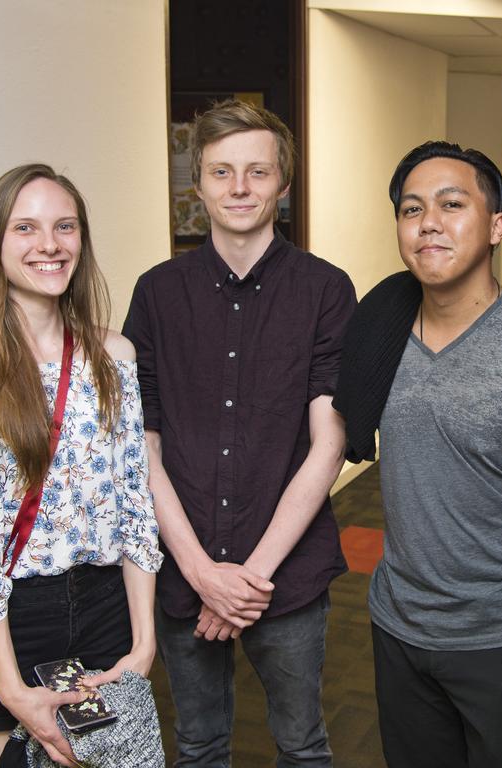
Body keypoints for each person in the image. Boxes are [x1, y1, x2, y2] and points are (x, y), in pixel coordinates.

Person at [333, 141, 502, 768]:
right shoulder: (379, 333)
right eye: (411, 208)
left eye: (453, 204)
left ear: (496, 226)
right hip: (398, 626)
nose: (429, 222)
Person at [122, 98, 355, 767]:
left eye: (257, 171)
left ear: (284, 183)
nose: (240, 188)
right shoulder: (157, 294)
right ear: (198, 186)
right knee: (196, 746)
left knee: (303, 745)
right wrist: (200, 572)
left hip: (287, 569)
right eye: (222, 173)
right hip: (181, 565)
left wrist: (244, 582)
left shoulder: (326, 290)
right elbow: (144, 445)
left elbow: (328, 445)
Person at [0, 164, 163, 768]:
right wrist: (7, 682)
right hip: (8, 621)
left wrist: (144, 642)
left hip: (107, 611)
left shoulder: (113, 354)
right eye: (26, 227)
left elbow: (134, 506)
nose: (49, 244)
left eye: (64, 226)